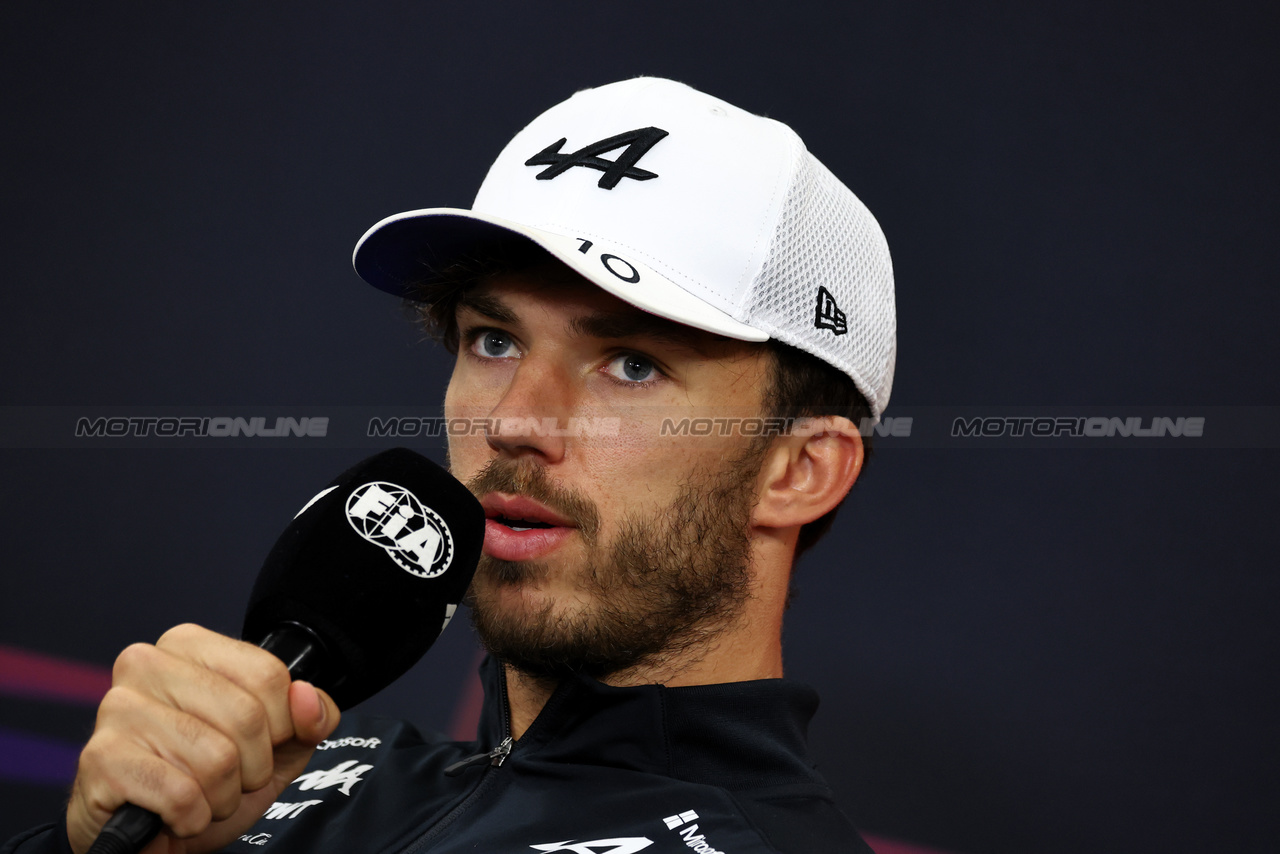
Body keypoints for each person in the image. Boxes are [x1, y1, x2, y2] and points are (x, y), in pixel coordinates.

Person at [3, 77, 894, 854]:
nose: (513, 420)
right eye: (494, 339)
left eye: (632, 363)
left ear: (798, 470)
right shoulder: (280, 784)